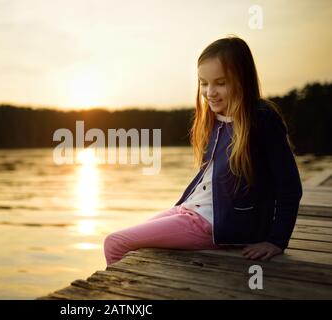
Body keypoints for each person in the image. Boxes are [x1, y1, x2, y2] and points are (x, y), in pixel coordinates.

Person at [103, 35, 303, 266]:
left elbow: (289, 186)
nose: (210, 92)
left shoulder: (261, 119)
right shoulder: (215, 119)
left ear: (243, 80)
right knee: (135, 244)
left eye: (221, 82)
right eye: (204, 83)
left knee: (115, 243)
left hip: (213, 224)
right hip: (189, 210)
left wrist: (276, 240)